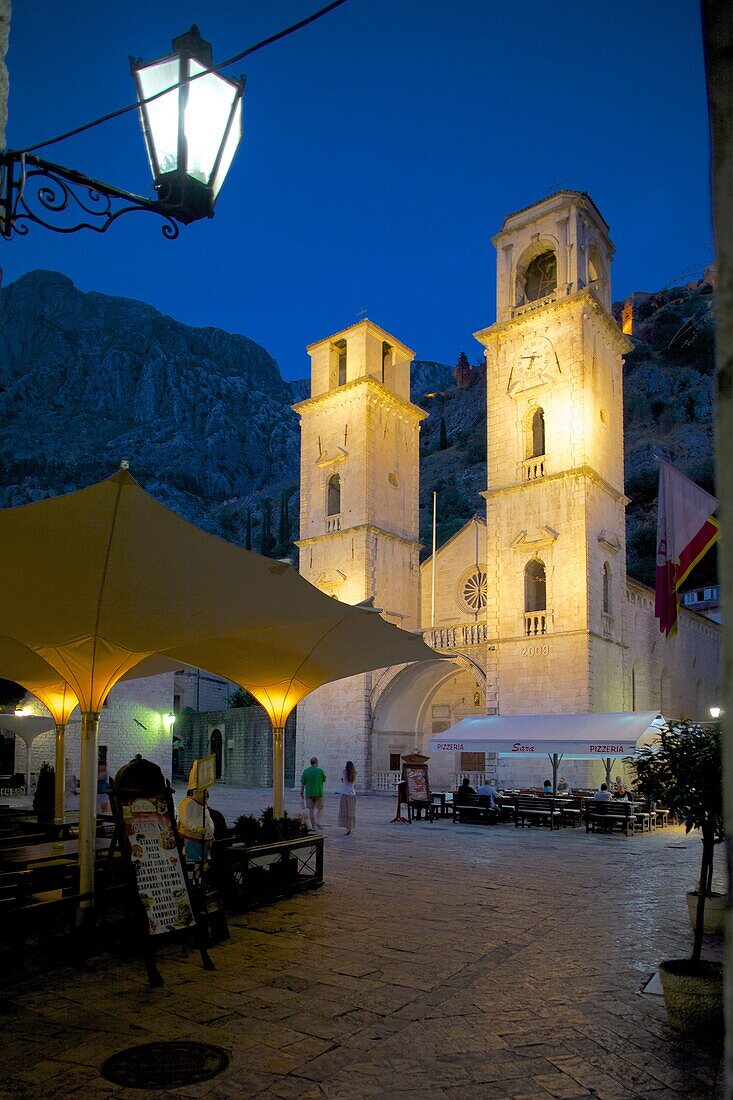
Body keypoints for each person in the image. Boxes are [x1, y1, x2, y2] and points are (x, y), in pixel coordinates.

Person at [177, 787, 215, 862]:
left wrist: (210, 834)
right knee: (193, 860)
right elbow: (184, 819)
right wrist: (195, 828)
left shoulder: (202, 803)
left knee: (203, 861)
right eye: (204, 791)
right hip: (192, 837)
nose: (207, 794)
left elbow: (206, 819)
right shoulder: (188, 802)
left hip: (204, 838)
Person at [300, 756, 327, 830]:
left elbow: (303, 783)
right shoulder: (320, 771)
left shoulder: (306, 771)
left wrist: (301, 792)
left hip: (309, 793)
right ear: (317, 762)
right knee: (321, 808)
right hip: (319, 792)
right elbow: (324, 779)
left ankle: (313, 827)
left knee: (311, 810)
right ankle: (317, 820)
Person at [338, 760, 357, 835]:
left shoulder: (344, 772)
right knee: (351, 811)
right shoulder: (355, 773)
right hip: (352, 794)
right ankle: (351, 827)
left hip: (345, 793)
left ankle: (347, 828)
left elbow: (342, 780)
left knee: (345, 811)